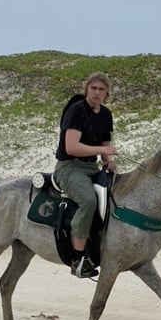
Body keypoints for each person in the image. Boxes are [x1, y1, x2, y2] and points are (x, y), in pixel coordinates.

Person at [54, 73, 117, 279]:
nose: (97, 93)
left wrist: (109, 161)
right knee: (88, 200)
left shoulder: (106, 115)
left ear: (107, 93)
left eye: (101, 89)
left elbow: (106, 146)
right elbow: (71, 147)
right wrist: (100, 150)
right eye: (94, 88)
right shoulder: (76, 111)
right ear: (87, 89)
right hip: (69, 167)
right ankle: (78, 259)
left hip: (91, 167)